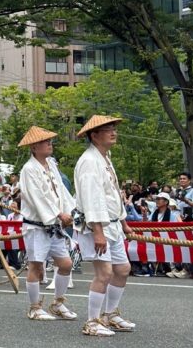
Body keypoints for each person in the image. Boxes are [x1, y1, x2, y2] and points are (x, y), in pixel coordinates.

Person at [74, 115, 135, 336]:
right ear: (94, 135)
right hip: (96, 226)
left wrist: (124, 222)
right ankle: (92, 321)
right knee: (104, 272)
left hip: (112, 224)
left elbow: (113, 196)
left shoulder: (104, 157)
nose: (113, 132)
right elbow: (92, 199)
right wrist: (98, 231)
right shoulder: (90, 161)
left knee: (123, 269)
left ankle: (110, 314)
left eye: (113, 128)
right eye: (108, 129)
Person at [17, 126, 77, 321]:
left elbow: (61, 191)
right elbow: (36, 197)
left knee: (66, 264)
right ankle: (34, 308)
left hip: (54, 225)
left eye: (50, 141)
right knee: (36, 266)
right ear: (34, 147)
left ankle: (58, 303)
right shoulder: (28, 169)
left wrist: (70, 210)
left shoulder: (51, 164)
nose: (50, 144)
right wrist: (59, 214)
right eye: (45, 141)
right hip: (37, 225)